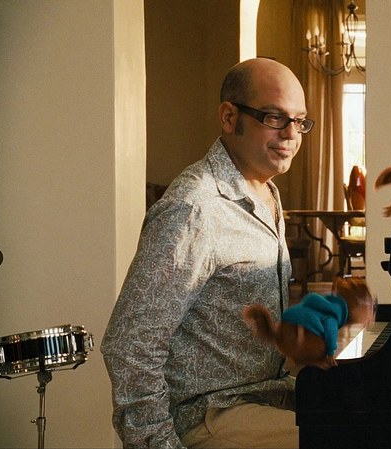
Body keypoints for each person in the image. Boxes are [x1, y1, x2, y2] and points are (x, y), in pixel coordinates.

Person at [101, 58, 313, 449]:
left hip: (265, 396)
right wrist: (160, 444)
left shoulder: (263, 192)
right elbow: (129, 344)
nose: (290, 134)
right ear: (230, 117)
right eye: (274, 117)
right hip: (208, 414)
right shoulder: (195, 208)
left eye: (299, 121)